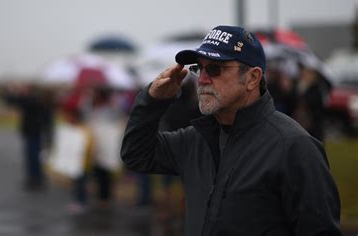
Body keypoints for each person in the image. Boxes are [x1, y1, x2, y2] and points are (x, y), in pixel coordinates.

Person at [121, 25, 342, 235]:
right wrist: (151, 100)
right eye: (200, 69)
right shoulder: (197, 139)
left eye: (215, 69)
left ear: (252, 78)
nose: (203, 80)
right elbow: (136, 153)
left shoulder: (294, 147)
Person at [4, 83, 54, 191]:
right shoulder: (35, 100)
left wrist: (10, 91)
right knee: (32, 157)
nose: (23, 91)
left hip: (33, 132)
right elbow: (13, 101)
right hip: (33, 132)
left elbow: (15, 101)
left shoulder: (33, 100)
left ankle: (35, 179)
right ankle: (35, 178)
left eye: (25, 89)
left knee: (33, 157)